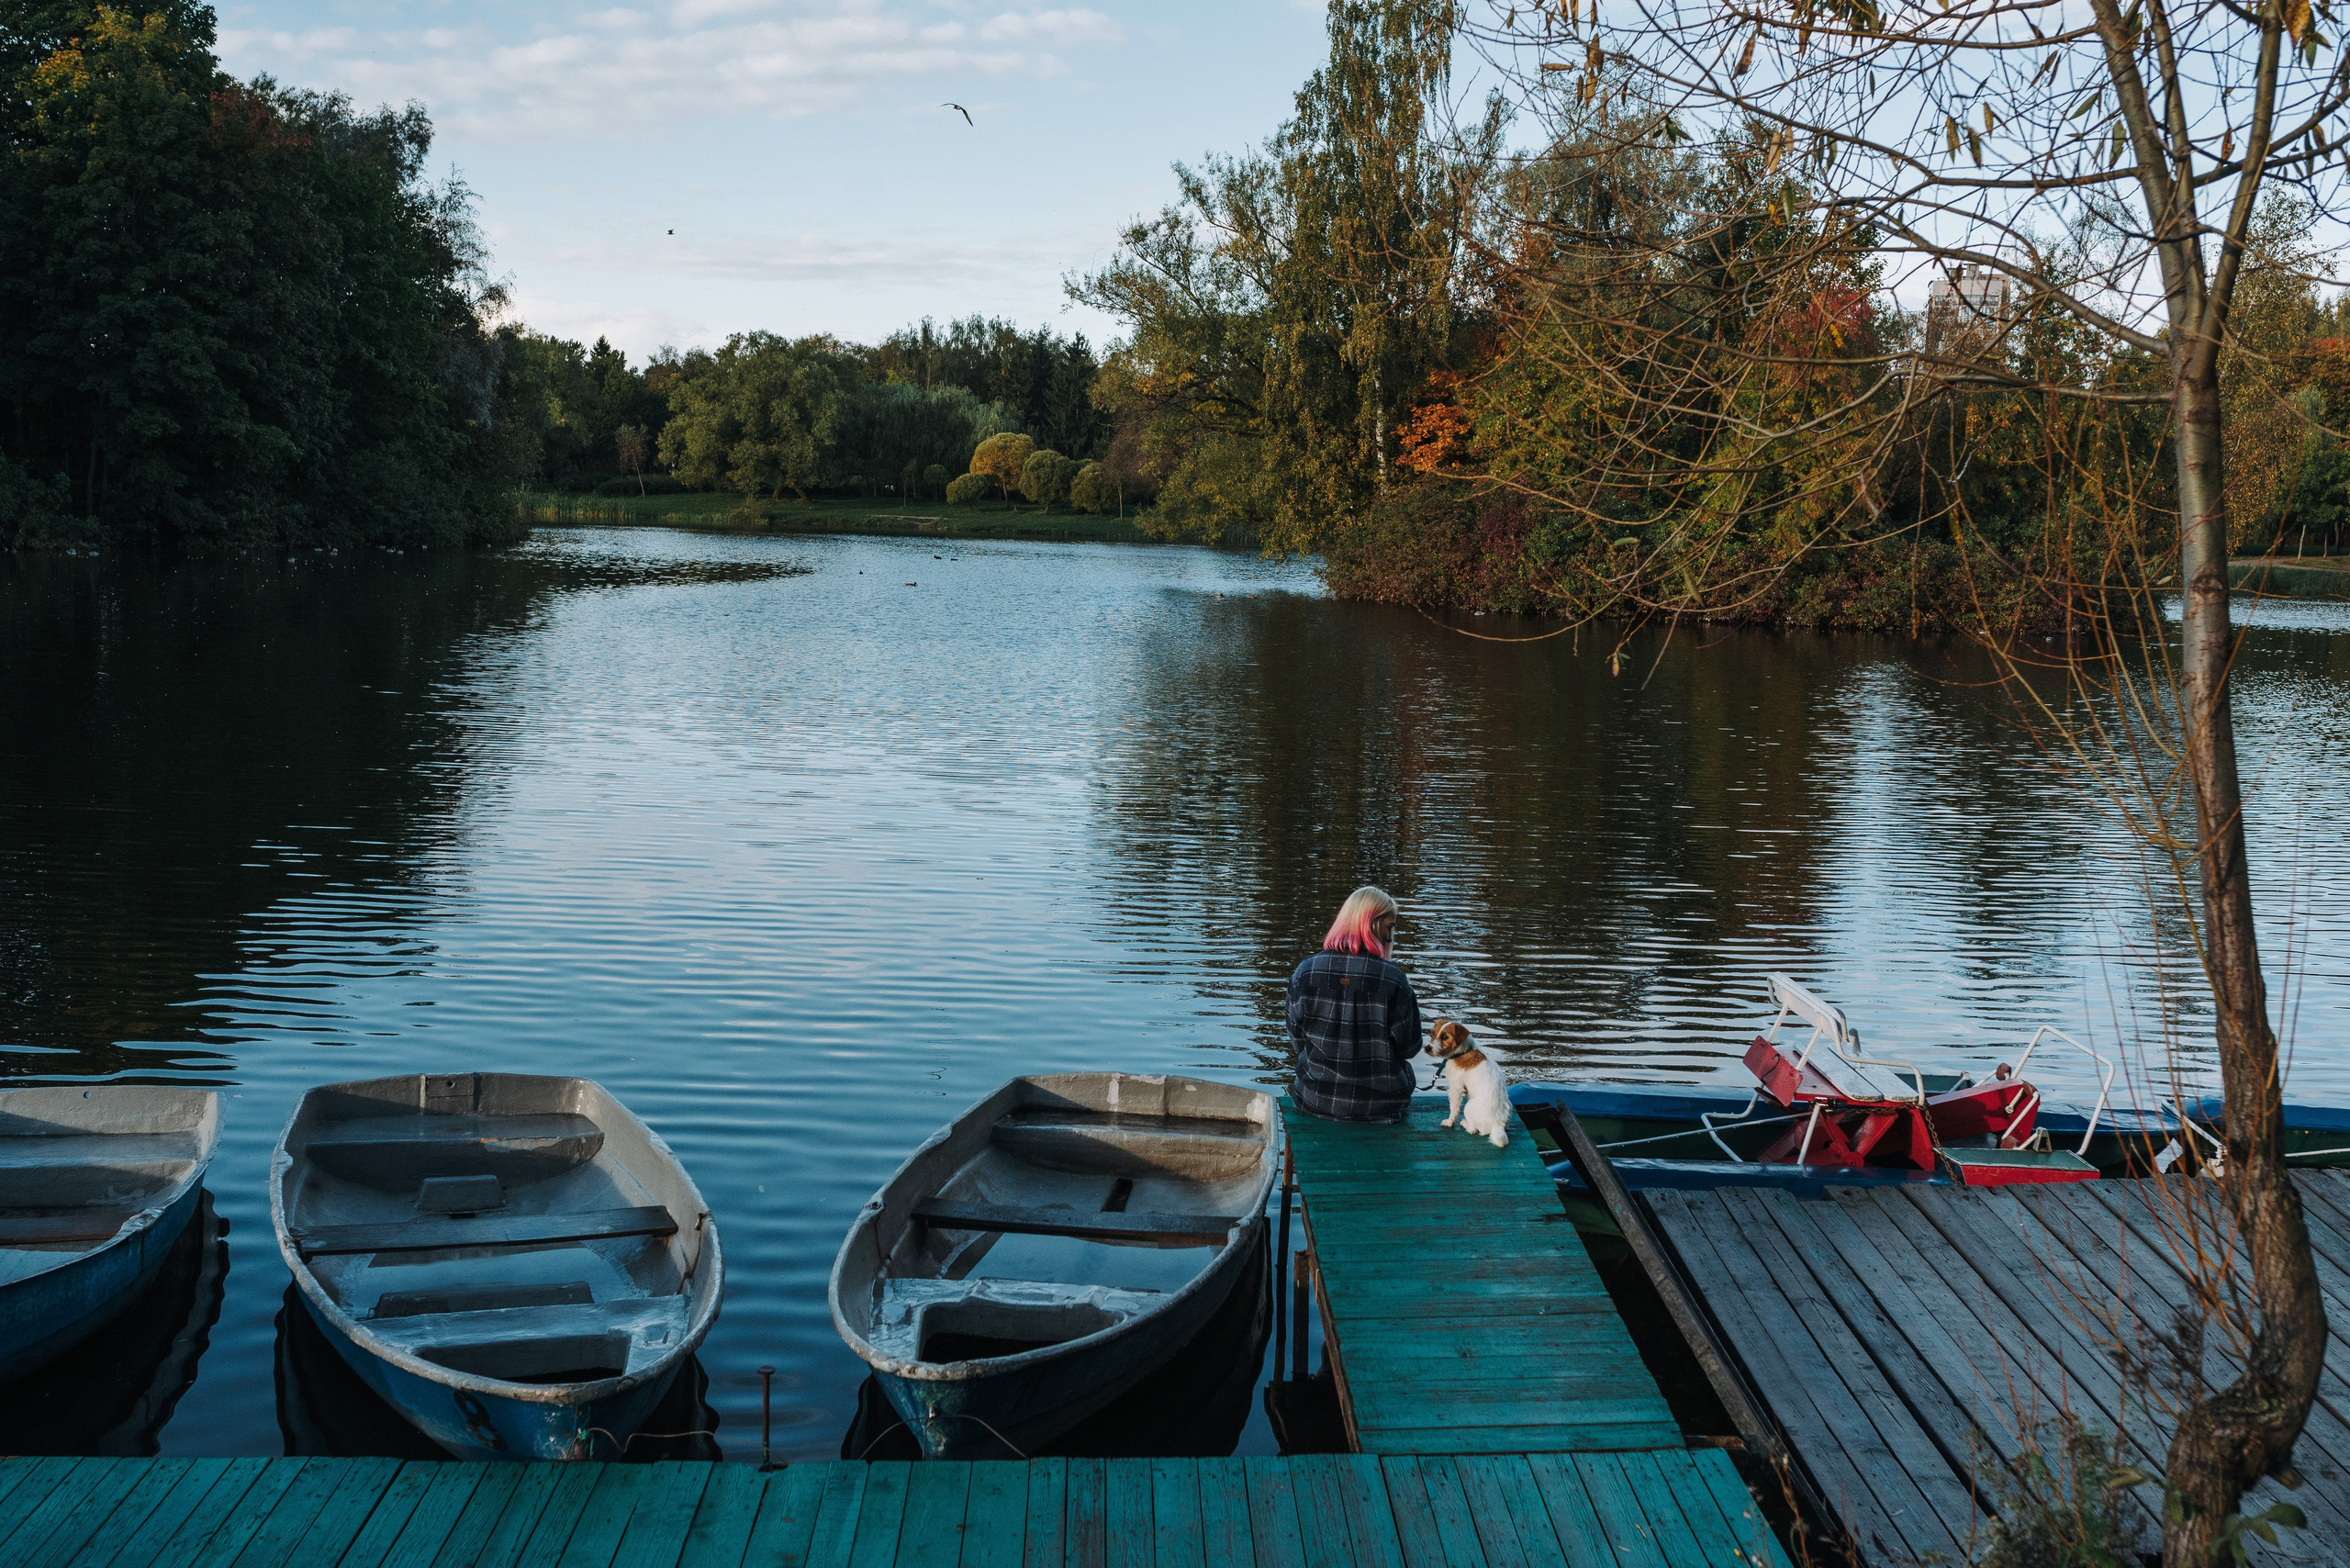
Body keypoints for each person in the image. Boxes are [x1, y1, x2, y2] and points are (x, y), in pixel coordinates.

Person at [1288, 886, 1421, 1124]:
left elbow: (1298, 1043)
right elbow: (1409, 1048)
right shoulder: (1393, 979)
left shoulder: (1304, 972)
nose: (1390, 937)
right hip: (1381, 1106)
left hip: (1315, 1099)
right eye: (1389, 927)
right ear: (1370, 923)